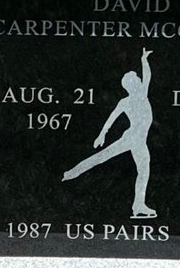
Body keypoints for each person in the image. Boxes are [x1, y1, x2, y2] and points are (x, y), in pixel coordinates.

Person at [62, 48, 156, 219]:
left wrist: (144, 60)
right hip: (131, 138)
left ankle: (138, 205)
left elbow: (147, 76)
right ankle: (71, 173)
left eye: (138, 78)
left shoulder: (142, 94)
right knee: (103, 157)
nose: (139, 79)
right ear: (131, 85)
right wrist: (102, 134)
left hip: (139, 140)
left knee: (143, 170)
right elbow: (112, 118)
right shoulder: (126, 102)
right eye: (136, 79)